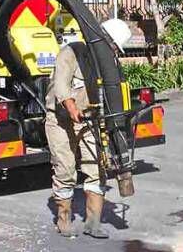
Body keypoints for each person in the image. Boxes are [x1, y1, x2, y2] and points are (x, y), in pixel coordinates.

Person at [45, 18, 132, 239]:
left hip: (89, 120)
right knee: (65, 169)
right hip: (61, 120)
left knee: (97, 169)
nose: (113, 51)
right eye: (112, 46)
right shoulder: (72, 52)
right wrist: (71, 105)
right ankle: (64, 219)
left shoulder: (106, 63)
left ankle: (93, 223)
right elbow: (61, 85)